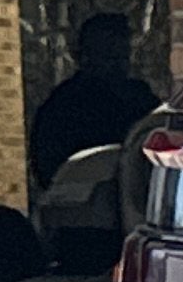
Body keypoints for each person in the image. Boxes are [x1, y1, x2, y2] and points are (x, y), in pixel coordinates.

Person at [28, 11, 158, 186]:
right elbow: (49, 170)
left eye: (123, 55)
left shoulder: (138, 97)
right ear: (86, 57)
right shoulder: (65, 107)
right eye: (109, 55)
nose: (118, 64)